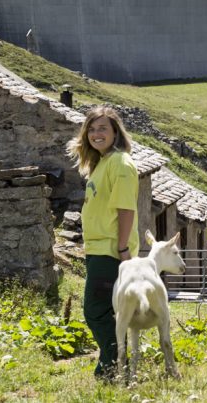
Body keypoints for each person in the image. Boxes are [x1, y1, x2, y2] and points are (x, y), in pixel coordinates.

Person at [67, 106, 139, 381]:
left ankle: (112, 366)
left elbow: (125, 209)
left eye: (103, 129)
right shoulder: (102, 163)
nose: (97, 134)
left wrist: (122, 248)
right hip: (98, 250)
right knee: (105, 310)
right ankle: (116, 362)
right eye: (92, 129)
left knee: (96, 311)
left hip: (110, 251)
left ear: (115, 133)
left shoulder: (120, 163)